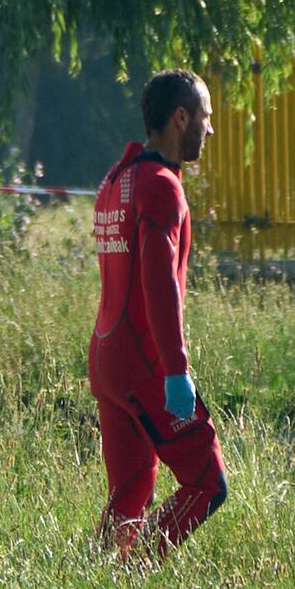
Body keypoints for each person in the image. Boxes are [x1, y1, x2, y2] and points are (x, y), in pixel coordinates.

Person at [92, 65, 223, 555]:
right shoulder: (162, 185)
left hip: (107, 359)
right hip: (145, 364)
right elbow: (158, 283)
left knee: (131, 492)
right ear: (181, 118)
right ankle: (134, 571)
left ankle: (95, 583)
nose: (210, 129)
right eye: (205, 117)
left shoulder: (117, 179)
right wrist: (175, 370)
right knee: (207, 482)